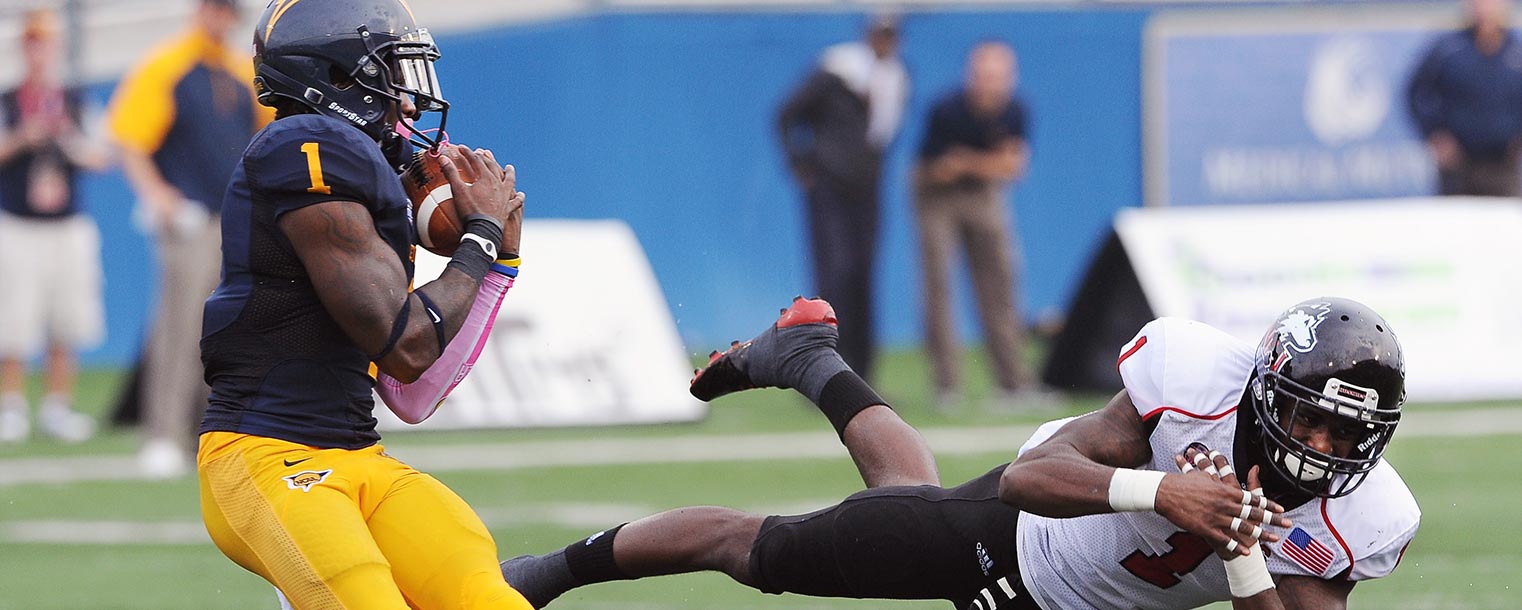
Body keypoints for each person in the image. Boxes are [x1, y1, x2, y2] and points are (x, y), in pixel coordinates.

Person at [503, 296, 1418, 610]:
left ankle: (807, 355)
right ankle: (545, 575)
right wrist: (1161, 492)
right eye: (1311, 420)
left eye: (1349, 436)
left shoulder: (1367, 517)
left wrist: (1245, 553)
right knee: (763, 550)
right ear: (1264, 388)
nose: (1325, 449)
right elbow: (1032, 479)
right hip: (1010, 548)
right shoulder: (1192, 380)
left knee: (899, 499)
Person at [195, 1, 530, 608]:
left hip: (360, 459)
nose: (408, 101)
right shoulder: (305, 144)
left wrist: (499, 266)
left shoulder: (364, 168)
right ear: (339, 77)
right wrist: (478, 239)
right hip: (269, 456)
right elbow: (406, 347)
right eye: (391, 73)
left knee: (487, 597)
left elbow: (413, 393)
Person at [107, 0, 274, 477]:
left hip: (236, 217)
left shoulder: (241, 70)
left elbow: (265, 134)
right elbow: (129, 138)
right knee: (180, 325)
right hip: (190, 218)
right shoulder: (168, 64)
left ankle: (208, 431)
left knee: (227, 327)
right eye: (215, 8)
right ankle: (161, 433)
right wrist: (158, 195)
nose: (220, 17)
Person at [776, 15, 909, 381]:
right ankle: (823, 371)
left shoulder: (896, 77)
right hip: (830, 188)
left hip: (865, 188)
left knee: (863, 277)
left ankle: (862, 375)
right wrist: (801, 164)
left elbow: (881, 134)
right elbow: (786, 113)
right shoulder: (836, 70)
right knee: (834, 275)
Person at [0, 9, 110, 444]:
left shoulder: (74, 99)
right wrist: (23, 137)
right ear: (22, 48)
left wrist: (66, 139)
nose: (38, 51)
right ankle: (11, 406)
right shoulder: (9, 101)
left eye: (44, 42)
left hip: (67, 225)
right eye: (31, 42)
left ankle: (57, 407)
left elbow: (102, 156)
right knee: (14, 319)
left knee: (67, 319)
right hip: (19, 224)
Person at [914, 41, 1039, 411]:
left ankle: (1014, 380)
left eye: (998, 77)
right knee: (939, 284)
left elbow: (1013, 168)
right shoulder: (947, 110)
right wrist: (988, 163)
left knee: (1001, 280)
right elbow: (940, 168)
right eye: (984, 76)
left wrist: (970, 162)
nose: (991, 85)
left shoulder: (1016, 110)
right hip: (937, 195)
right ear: (971, 76)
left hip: (984, 193)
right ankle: (947, 383)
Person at [1406, 0, 1522, 197]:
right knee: (1455, 224)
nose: (1485, 7)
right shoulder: (1448, 49)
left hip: (1503, 165)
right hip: (1458, 166)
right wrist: (1435, 134)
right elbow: (1417, 92)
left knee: (1503, 224)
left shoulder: (1516, 51)